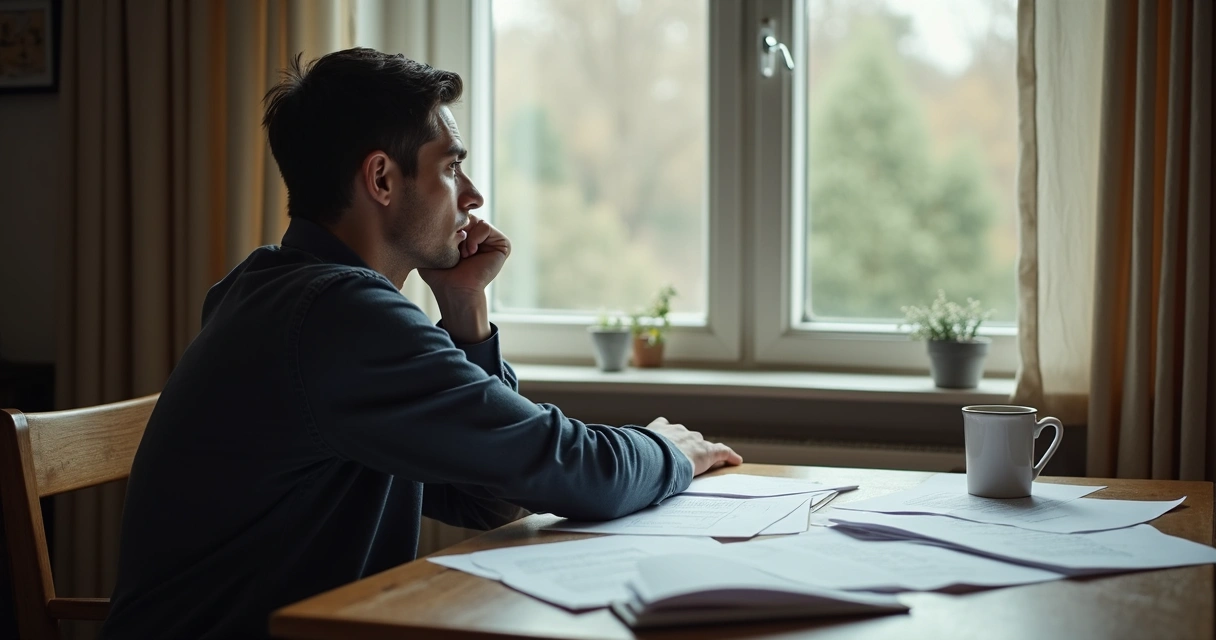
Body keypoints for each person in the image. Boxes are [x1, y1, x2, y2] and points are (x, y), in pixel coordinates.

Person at [99, 48, 742, 639]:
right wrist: (669, 452)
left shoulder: (272, 287)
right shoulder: (335, 315)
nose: (473, 196)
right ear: (381, 179)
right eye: (451, 167)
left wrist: (464, 305)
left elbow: (485, 496)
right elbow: (569, 469)